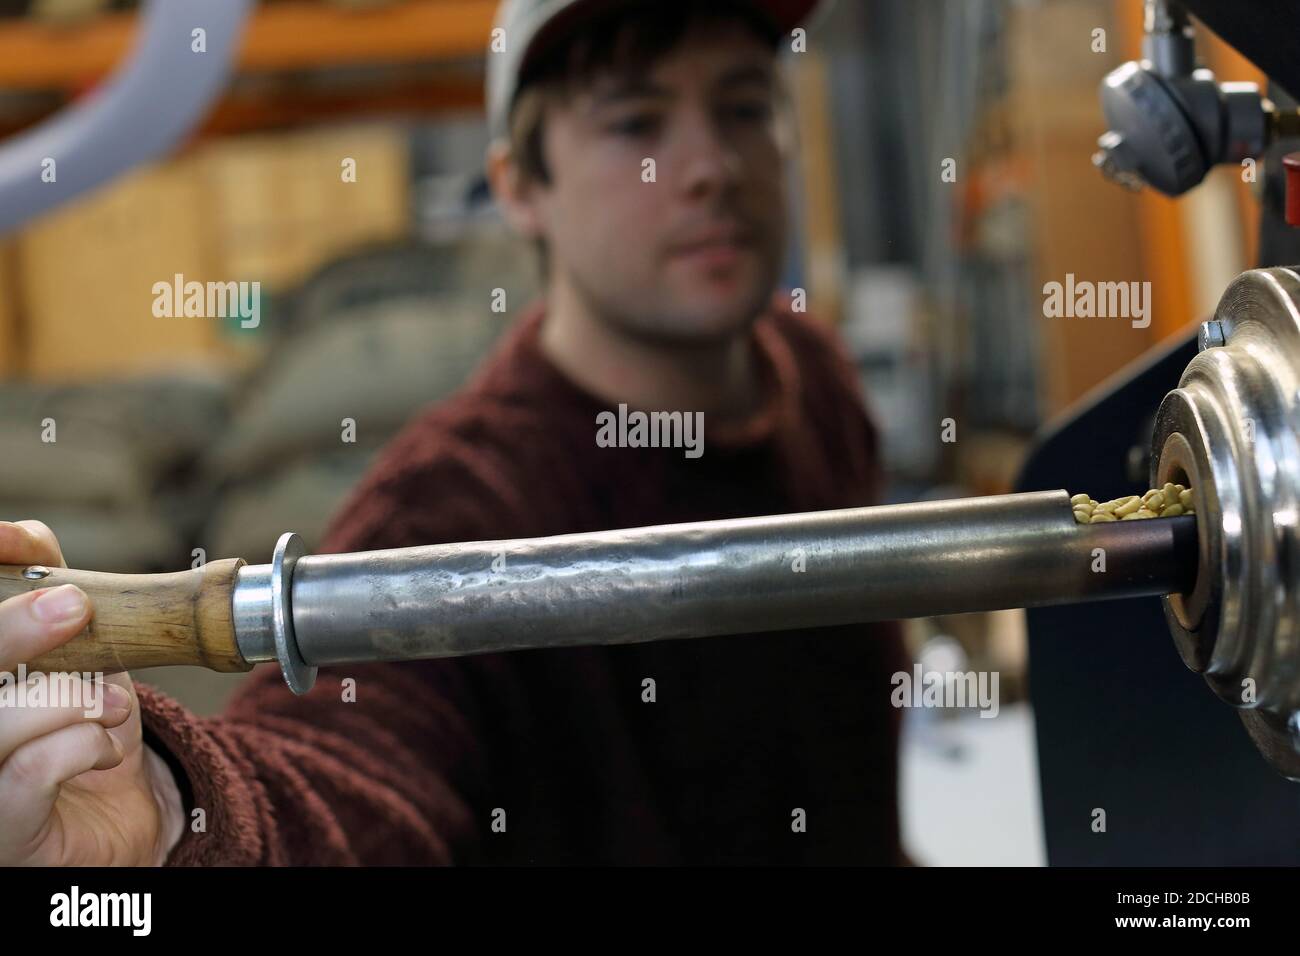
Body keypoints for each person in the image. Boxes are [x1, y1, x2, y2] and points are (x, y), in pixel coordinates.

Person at [0, 0, 911, 865]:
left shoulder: (810, 377)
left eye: (745, 106)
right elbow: (350, 773)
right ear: (519, 187)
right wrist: (173, 811)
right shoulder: (460, 505)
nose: (713, 165)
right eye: (636, 124)